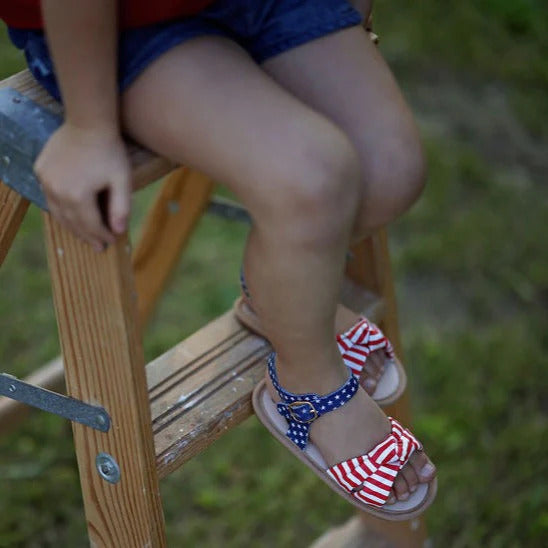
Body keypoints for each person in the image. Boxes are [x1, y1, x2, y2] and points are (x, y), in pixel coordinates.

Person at [2, 0, 437, 517]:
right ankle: (306, 382)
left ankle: (275, 296)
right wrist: (90, 127)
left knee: (392, 170)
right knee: (316, 178)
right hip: (118, 25)